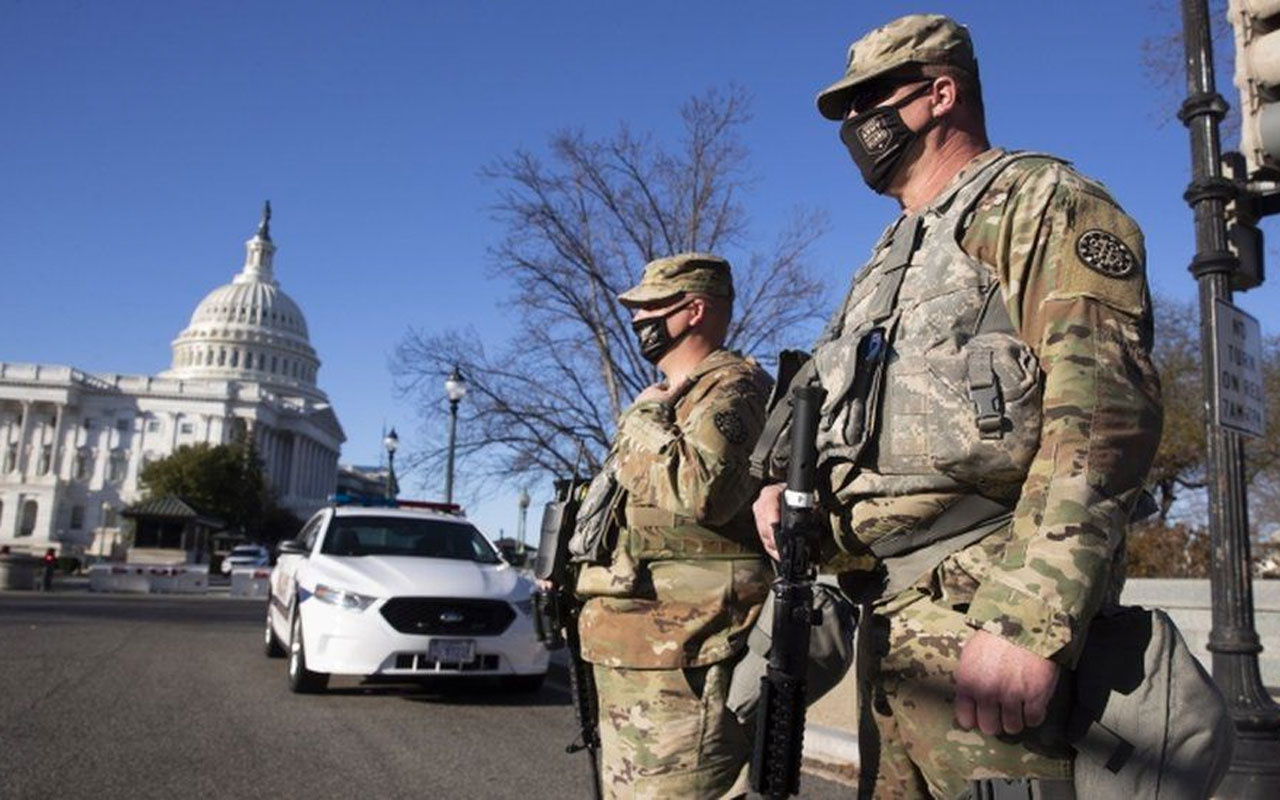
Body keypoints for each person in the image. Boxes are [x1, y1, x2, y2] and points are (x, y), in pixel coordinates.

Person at [752, 14, 1163, 799]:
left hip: (985, 613)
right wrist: (784, 487)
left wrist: (1027, 619)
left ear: (942, 93)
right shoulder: (887, 260)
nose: (852, 124)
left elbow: (1106, 409)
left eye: (869, 98)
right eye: (844, 108)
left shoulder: (1039, 201)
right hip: (891, 624)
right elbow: (836, 413)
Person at [574, 252, 772, 799]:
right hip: (637, 651)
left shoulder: (735, 389)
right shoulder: (674, 398)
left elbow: (699, 491)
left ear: (695, 309)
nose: (638, 320)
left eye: (651, 307)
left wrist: (640, 419)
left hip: (687, 660)